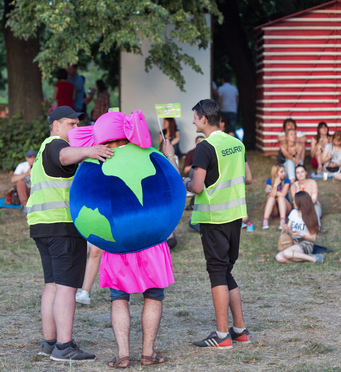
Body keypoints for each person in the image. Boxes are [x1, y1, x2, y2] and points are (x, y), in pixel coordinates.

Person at [68, 110, 173, 367]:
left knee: (119, 298)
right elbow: (171, 187)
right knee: (154, 295)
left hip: (115, 243)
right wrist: (168, 153)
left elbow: (83, 198)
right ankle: (148, 353)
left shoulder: (94, 161)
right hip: (151, 241)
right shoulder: (149, 154)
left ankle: (123, 355)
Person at [26, 106, 114, 362]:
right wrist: (91, 150)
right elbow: (64, 156)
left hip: (42, 225)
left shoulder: (44, 148)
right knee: (66, 287)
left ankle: (49, 343)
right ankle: (64, 347)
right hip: (62, 227)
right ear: (56, 125)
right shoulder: (55, 145)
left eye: (78, 125)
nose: (76, 129)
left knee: (52, 285)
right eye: (71, 124)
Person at [181, 99, 252, 349]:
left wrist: (185, 183)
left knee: (217, 274)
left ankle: (222, 336)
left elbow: (197, 187)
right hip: (234, 218)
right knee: (226, 271)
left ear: (203, 118)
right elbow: (249, 177)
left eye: (194, 117)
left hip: (213, 219)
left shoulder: (205, 147)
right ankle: (240, 331)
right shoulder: (237, 143)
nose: (192, 121)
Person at [274, 191, 324, 264]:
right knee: (279, 257)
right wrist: (285, 229)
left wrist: (301, 234)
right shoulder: (293, 212)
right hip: (294, 243)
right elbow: (288, 231)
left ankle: (313, 259)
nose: (293, 202)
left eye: (295, 200)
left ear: (301, 202)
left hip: (306, 244)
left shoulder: (310, 216)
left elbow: (313, 238)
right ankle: (305, 258)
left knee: (286, 253)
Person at [262, 164, 292, 230]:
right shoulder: (269, 181)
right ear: (275, 173)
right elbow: (272, 195)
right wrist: (275, 184)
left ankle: (283, 221)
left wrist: (271, 190)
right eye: (281, 172)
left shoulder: (286, 180)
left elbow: (283, 194)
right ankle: (265, 220)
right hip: (275, 209)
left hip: (286, 207)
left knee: (281, 198)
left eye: (284, 171)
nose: (284, 173)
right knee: (271, 198)